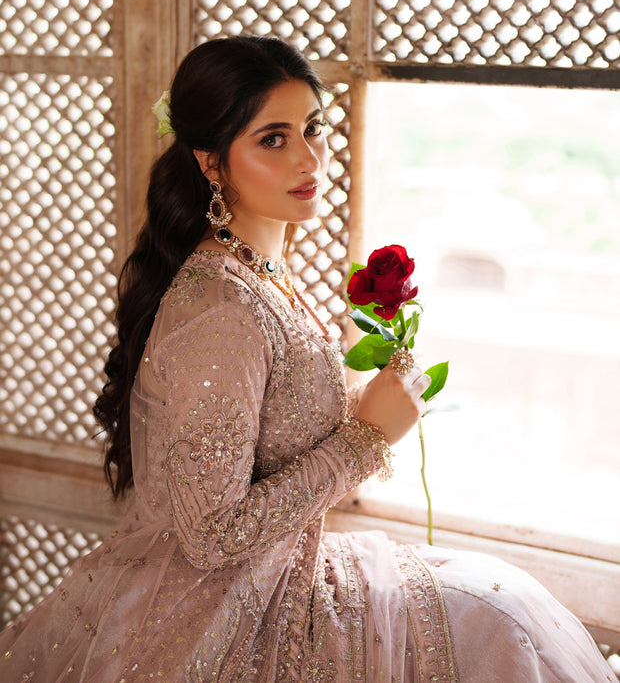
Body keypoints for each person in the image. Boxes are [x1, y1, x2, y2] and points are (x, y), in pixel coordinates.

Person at [0, 35, 613, 683]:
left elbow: (265, 430)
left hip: (281, 572)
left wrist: (364, 408)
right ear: (211, 161)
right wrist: (368, 435)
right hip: (221, 617)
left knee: (501, 607)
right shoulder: (221, 308)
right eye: (273, 139)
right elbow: (211, 535)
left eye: (312, 128)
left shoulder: (258, 270)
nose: (309, 157)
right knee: (504, 622)